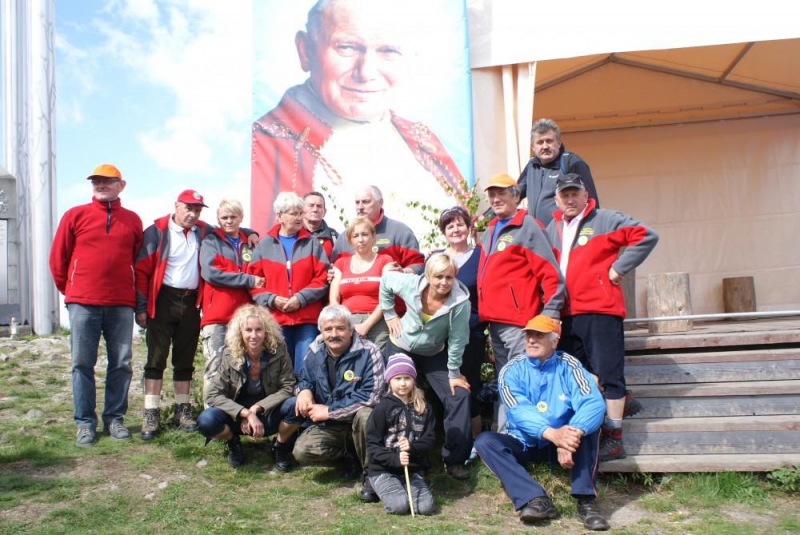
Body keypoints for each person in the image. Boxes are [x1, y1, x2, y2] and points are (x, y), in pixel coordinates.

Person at [250, 0, 466, 237]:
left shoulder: (422, 141)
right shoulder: (273, 141)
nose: (366, 73)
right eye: (346, 47)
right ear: (305, 50)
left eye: (388, 51)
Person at [545, 174, 659, 462]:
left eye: (575, 193)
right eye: (565, 195)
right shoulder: (552, 228)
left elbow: (646, 235)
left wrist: (619, 268)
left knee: (608, 374)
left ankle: (615, 437)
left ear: (586, 195)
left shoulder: (606, 219)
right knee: (580, 374)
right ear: (557, 199)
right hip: (567, 313)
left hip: (600, 309)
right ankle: (618, 407)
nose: (570, 199)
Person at [474, 315, 610, 531]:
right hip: (527, 442)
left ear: (555, 341)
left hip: (567, 445)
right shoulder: (511, 370)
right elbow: (519, 411)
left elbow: (593, 403)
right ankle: (535, 499)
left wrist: (569, 437)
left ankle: (586, 501)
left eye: (539, 335)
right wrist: (552, 434)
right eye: (529, 335)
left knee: (588, 427)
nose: (531, 340)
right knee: (484, 442)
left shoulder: (571, 365)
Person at [49, 164, 143, 446]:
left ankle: (114, 419)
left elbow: (138, 263)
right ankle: (85, 423)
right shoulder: (74, 215)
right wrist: (73, 290)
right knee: (81, 363)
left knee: (122, 363)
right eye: (96, 181)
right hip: (83, 304)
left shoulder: (133, 220)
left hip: (121, 304)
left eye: (107, 181)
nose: (100, 185)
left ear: (121, 185)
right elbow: (58, 259)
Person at [380, 253, 473, 479]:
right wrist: (390, 313)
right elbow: (386, 281)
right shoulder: (410, 283)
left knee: (458, 395)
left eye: (449, 277)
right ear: (428, 275)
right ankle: (388, 456)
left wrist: (453, 373)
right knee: (393, 394)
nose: (443, 282)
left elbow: (459, 339)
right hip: (401, 345)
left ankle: (454, 459)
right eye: (438, 277)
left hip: (433, 352)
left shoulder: (460, 303)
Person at [134, 190, 215, 440]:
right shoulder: (157, 230)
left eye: (197, 210)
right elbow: (141, 270)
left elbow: (230, 229)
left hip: (191, 302)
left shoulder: (204, 231)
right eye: (188, 208)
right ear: (176, 206)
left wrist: (250, 234)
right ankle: (151, 412)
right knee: (156, 359)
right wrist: (141, 307)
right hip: (163, 300)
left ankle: (182, 409)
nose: (192, 214)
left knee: (185, 359)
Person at [287, 304, 385, 502]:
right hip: (331, 427)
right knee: (302, 451)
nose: (334, 334)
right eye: (328, 329)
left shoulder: (369, 352)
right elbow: (304, 378)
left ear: (351, 329)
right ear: (321, 331)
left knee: (367, 414)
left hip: (359, 422)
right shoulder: (315, 350)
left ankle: (372, 473)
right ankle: (350, 456)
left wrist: (331, 411)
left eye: (340, 328)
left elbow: (372, 396)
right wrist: (303, 391)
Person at [477, 174, 565, 388]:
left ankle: (530, 423)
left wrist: (551, 312)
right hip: (495, 322)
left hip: (519, 323)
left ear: (516, 196)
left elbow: (550, 273)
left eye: (501, 193)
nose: (496, 199)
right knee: (507, 382)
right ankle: (509, 423)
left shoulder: (528, 226)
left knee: (526, 380)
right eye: (492, 195)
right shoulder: (490, 230)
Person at [197, 304, 299, 470]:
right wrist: (244, 413)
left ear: (266, 331)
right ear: (240, 333)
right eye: (248, 330)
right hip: (237, 417)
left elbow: (288, 386)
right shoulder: (230, 354)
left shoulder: (279, 351)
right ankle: (232, 441)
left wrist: (258, 408)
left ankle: (280, 446)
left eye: (258, 330)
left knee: (296, 405)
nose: (254, 335)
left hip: (268, 412)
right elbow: (213, 394)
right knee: (206, 420)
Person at [247, 192, 329, 377]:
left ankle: (303, 404)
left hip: (306, 319)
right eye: (294, 213)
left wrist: (300, 299)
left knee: (305, 369)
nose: (300, 217)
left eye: (301, 212)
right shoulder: (263, 246)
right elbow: (254, 283)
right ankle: (282, 406)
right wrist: (272, 299)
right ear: (280, 216)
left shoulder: (313, 244)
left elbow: (322, 278)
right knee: (278, 371)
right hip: (275, 319)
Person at [430, 206, 486, 447]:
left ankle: (475, 442)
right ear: (443, 232)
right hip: (440, 334)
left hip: (470, 333)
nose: (456, 229)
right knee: (443, 387)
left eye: (460, 223)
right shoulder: (435, 258)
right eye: (450, 225)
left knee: (469, 383)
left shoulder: (481, 255)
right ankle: (448, 439)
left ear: (468, 227)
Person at [199, 199, 265, 403]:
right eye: (224, 217)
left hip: (245, 317)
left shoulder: (251, 242)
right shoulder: (210, 242)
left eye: (233, 217)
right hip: (217, 316)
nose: (228, 221)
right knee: (215, 365)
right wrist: (246, 279)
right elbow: (211, 274)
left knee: (241, 366)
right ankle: (212, 415)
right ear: (218, 219)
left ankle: (237, 415)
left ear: (241, 217)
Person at [366, 354, 435, 516]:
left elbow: (430, 439)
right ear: (389, 380)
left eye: (407, 378)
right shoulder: (382, 408)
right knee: (399, 506)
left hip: (411, 470)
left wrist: (412, 447)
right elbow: (372, 444)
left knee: (425, 508)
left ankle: (405, 487)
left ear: (414, 380)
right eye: (397, 378)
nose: (403, 383)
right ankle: (375, 484)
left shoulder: (424, 407)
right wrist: (394, 459)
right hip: (383, 469)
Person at [517, 118, 600, 226]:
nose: (545, 146)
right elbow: (513, 195)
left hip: (564, 236)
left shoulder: (572, 162)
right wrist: (489, 216)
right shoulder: (531, 166)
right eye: (540, 142)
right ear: (533, 147)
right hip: (537, 237)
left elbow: (592, 203)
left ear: (559, 143)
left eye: (549, 141)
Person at [330, 217, 394, 350]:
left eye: (365, 234)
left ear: (373, 237)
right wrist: (345, 323)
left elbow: (387, 297)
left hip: (377, 321)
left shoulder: (385, 260)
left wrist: (366, 325)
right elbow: (334, 299)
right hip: (346, 320)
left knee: (376, 363)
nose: (361, 239)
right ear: (350, 241)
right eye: (356, 236)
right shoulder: (341, 263)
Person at [331, 186, 423, 274]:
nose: (360, 207)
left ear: (380, 202)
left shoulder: (401, 232)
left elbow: (418, 265)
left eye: (366, 202)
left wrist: (402, 272)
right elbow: (333, 270)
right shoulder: (344, 238)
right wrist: (332, 274)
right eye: (357, 202)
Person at [303, 191, 340, 259]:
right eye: (311, 205)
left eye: (319, 206)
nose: (315, 209)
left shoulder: (335, 237)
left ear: (324, 212)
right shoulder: (293, 234)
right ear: (302, 210)